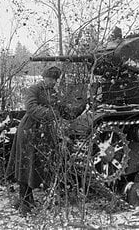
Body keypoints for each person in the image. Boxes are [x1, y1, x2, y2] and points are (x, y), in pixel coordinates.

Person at [7, 66, 86, 215]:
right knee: (25, 164)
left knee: (37, 165)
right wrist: (51, 113)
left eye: (55, 80)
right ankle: (24, 201)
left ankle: (29, 199)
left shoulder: (53, 92)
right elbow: (31, 108)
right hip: (29, 130)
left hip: (43, 133)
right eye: (51, 79)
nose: (53, 82)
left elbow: (64, 111)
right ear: (44, 77)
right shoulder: (34, 89)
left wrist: (81, 106)